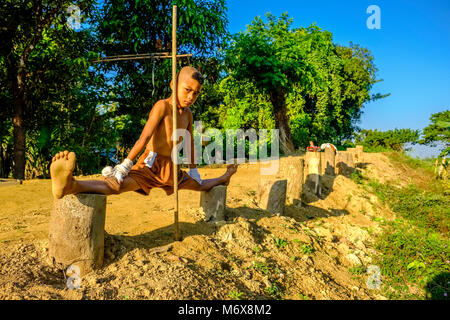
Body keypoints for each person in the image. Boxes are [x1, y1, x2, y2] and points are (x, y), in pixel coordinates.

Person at [50, 66, 238, 199]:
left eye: (196, 93)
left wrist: (194, 170)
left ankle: (225, 177)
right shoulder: (162, 106)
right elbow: (144, 137)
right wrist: (125, 165)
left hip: (171, 168)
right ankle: (70, 185)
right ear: (174, 85)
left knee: (199, 185)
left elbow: (189, 145)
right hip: (150, 165)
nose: (191, 97)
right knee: (116, 186)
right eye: (187, 90)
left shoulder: (188, 114)